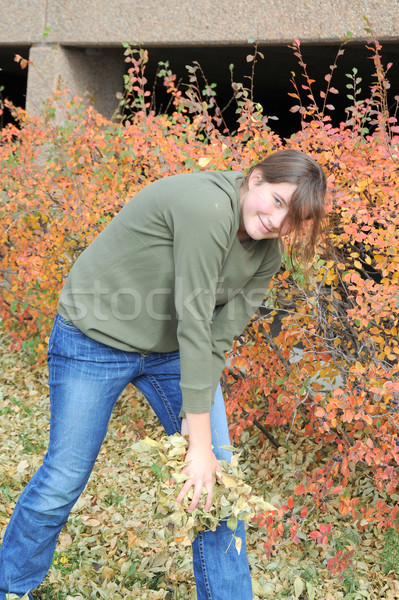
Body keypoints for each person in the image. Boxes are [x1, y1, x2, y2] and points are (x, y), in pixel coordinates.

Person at [0, 148, 326, 600]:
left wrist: (206, 455)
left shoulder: (267, 257)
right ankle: (11, 588)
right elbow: (195, 320)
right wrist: (198, 446)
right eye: (275, 201)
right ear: (254, 180)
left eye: (293, 217)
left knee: (218, 481)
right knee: (64, 476)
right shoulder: (208, 207)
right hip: (95, 337)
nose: (278, 222)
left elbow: (215, 339)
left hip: (170, 352)